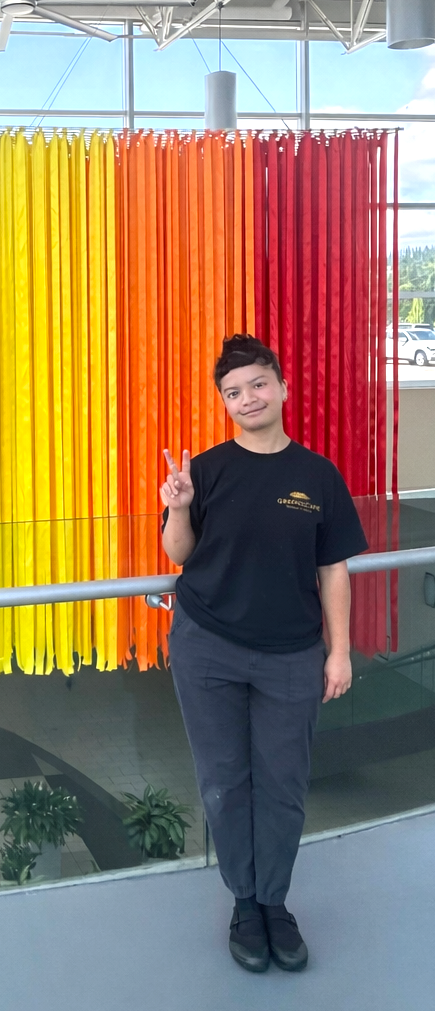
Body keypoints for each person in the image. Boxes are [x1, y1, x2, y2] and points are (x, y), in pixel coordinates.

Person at [160, 335, 367, 975]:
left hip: (290, 656)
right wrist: (179, 507)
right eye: (233, 392)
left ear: (280, 387)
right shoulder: (210, 469)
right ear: (224, 402)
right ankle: (244, 903)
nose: (247, 398)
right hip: (207, 646)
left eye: (256, 384)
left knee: (283, 787)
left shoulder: (317, 476)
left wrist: (340, 653)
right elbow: (179, 556)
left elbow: (334, 570)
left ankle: (275, 902)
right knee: (224, 785)